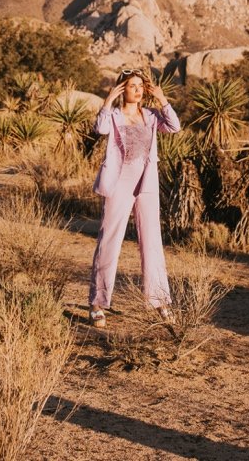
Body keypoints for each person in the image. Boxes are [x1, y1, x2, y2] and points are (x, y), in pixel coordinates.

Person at [88, 68, 180, 329]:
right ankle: (97, 303)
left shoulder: (151, 116)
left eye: (141, 86)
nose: (138, 90)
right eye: (132, 86)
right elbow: (100, 128)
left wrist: (162, 99)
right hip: (119, 184)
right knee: (109, 241)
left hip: (147, 185)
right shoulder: (114, 116)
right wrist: (107, 102)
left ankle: (160, 302)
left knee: (152, 243)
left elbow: (174, 126)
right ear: (122, 89)